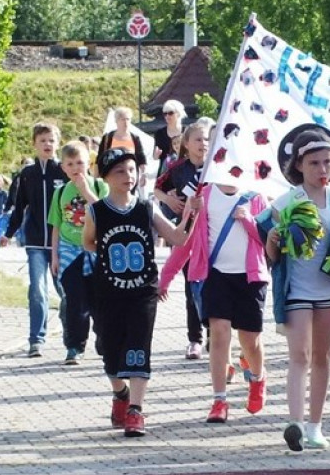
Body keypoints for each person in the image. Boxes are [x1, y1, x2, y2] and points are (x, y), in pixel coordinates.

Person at [258, 128, 330, 451]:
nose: (322, 169)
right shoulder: (285, 202)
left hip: (329, 290)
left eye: (328, 162)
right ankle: (295, 425)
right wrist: (272, 240)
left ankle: (316, 426)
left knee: (323, 357)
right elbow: (272, 257)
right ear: (299, 165)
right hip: (297, 289)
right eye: (314, 163)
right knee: (299, 355)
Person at [82, 148, 177, 438]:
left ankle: (136, 410)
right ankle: (120, 393)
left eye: (132, 170)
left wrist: (194, 214)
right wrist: (110, 254)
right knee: (110, 351)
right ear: (107, 177)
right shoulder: (96, 210)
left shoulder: (147, 207)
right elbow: (89, 242)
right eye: (120, 171)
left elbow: (178, 237)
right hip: (108, 292)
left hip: (143, 292)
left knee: (138, 347)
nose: (128, 176)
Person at [159, 176, 270, 423]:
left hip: (250, 278)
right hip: (216, 275)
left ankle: (258, 377)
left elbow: (268, 240)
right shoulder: (202, 197)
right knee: (219, 334)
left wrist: (249, 220)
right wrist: (165, 277)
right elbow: (184, 241)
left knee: (249, 340)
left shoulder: (256, 196)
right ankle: (219, 400)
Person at [0, 123, 67, 358]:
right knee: (38, 290)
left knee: (66, 291)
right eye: (42, 141)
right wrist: (8, 233)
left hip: (62, 243)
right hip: (36, 242)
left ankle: (72, 337)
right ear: (34, 144)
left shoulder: (64, 171)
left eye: (51, 140)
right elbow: (20, 208)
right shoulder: (27, 175)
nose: (47, 144)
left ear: (58, 143)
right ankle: (36, 339)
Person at [48, 141, 108, 365]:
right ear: (63, 167)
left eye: (80, 163)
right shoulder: (60, 192)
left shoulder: (100, 186)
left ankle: (104, 338)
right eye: (70, 164)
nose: (76, 168)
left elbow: (105, 213)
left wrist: (86, 191)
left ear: (89, 163)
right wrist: (54, 256)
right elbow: (55, 225)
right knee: (75, 300)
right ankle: (74, 346)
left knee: (99, 300)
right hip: (69, 250)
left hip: (95, 249)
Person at [153, 121, 210, 360]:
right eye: (198, 139)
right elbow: (156, 189)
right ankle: (194, 339)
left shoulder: (217, 167)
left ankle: (214, 336)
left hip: (211, 234)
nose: (203, 144)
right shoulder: (177, 169)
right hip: (186, 232)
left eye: (207, 139)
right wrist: (168, 200)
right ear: (186, 144)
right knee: (190, 286)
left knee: (212, 288)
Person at [97, 107, 147, 191]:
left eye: (128, 119)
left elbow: (141, 158)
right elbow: (99, 159)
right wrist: (97, 178)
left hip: (130, 177)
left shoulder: (135, 138)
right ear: (116, 121)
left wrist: (144, 174)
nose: (125, 122)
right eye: (122, 119)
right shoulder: (107, 138)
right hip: (112, 176)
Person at [153, 99, 185, 172]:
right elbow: (155, 157)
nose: (167, 116)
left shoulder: (187, 131)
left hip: (183, 170)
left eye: (170, 113)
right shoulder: (159, 133)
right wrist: (155, 156)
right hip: (164, 172)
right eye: (165, 113)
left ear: (178, 114)